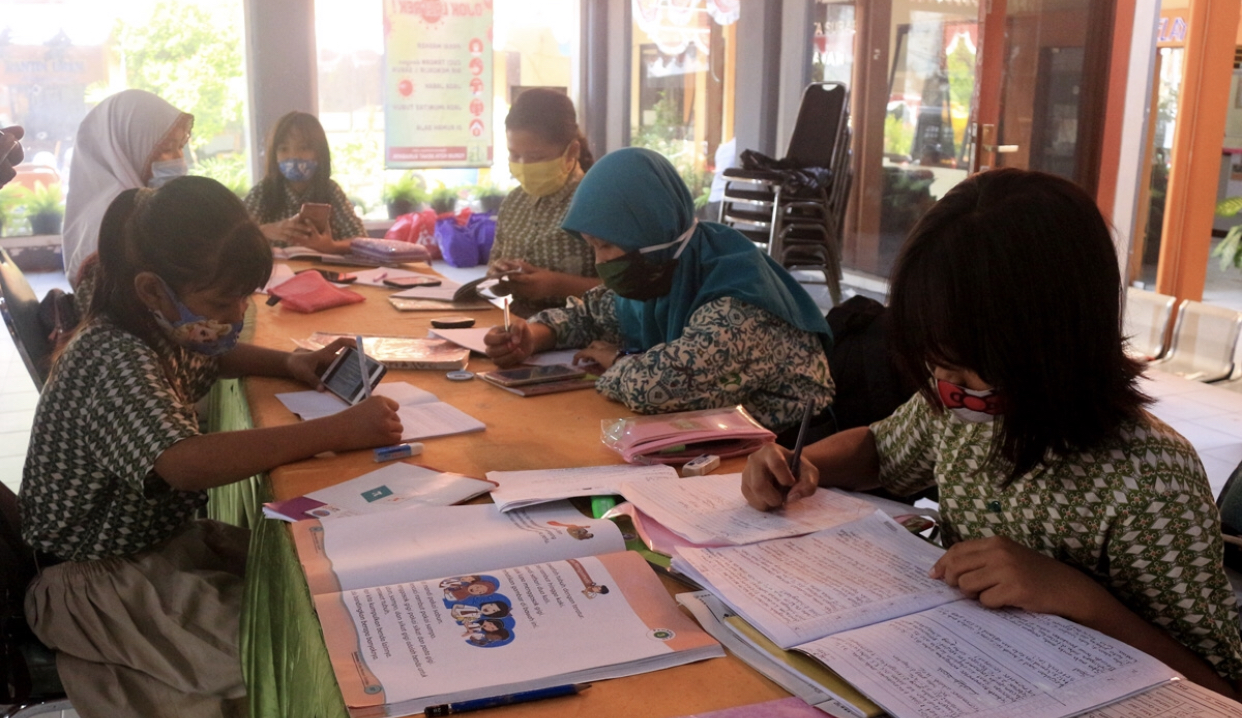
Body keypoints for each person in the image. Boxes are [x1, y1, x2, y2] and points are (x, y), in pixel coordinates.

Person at [740, 168, 1242, 698]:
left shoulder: (1151, 481)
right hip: (955, 671)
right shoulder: (959, 411)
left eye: (968, 373)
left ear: (1056, 345)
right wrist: (799, 463)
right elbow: (879, 452)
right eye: (937, 369)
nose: (948, 390)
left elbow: (1221, 691)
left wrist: (1077, 596)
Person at [20, 176, 403, 718]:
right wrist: (338, 431)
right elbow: (184, 463)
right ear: (153, 290)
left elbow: (216, 357)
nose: (237, 314)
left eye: (244, 296)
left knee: (320, 584)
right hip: (98, 583)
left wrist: (291, 363)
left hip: (159, 547)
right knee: (297, 644)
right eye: (223, 300)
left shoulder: (158, 329)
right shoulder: (112, 356)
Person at [484, 147, 834, 435]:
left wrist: (620, 360)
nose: (599, 262)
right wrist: (533, 335)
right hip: (719, 439)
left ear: (649, 231)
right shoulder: (663, 267)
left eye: (606, 246)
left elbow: (657, 387)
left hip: (790, 454)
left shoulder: (736, 296)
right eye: (592, 246)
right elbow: (590, 314)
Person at [487, 88, 600, 314]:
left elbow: (628, 290)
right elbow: (493, 266)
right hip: (520, 327)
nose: (524, 165)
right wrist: (499, 273)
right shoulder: (514, 203)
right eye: (514, 155)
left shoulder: (598, 201)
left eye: (536, 157)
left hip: (584, 335)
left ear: (572, 152)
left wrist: (557, 285)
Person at [62, 89, 193, 284]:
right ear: (127, 150)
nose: (178, 159)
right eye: (166, 148)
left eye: (180, 146)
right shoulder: (115, 216)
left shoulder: (142, 204)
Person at [245, 110, 364, 253]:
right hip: (277, 274)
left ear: (319, 153)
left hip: (322, 274)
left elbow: (361, 240)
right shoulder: (263, 192)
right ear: (274, 156)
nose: (294, 156)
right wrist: (265, 230)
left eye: (304, 148)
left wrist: (331, 246)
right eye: (284, 149)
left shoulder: (330, 191)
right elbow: (233, 236)